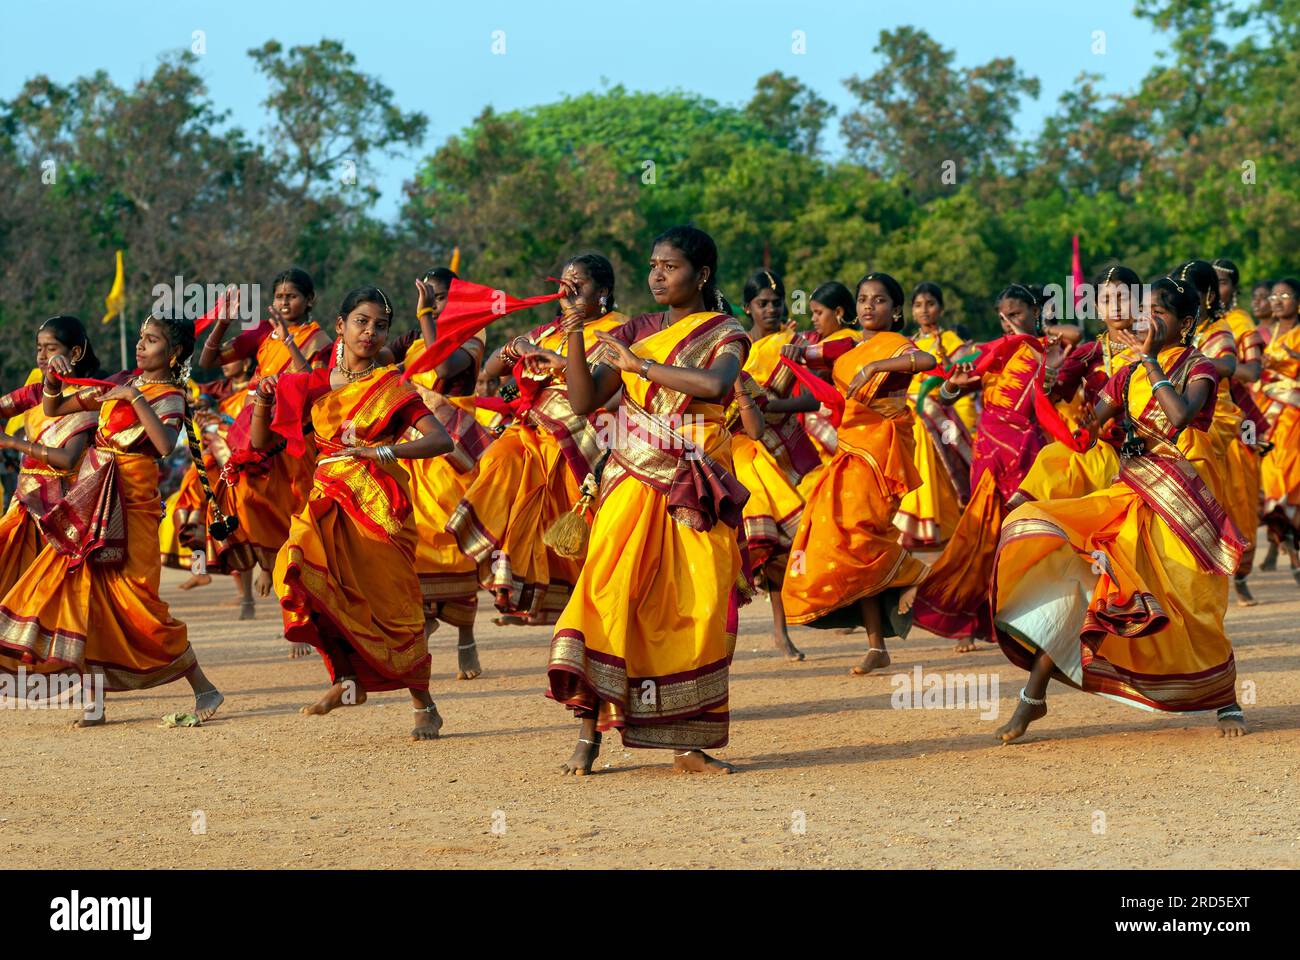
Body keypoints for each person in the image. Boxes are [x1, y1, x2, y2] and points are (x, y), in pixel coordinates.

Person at [992, 277, 1248, 742]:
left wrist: (1148, 360)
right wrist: (1056, 383)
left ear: (1186, 323)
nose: (1147, 317)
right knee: (1083, 580)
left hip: (1183, 496)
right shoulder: (1126, 373)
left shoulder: (1200, 367)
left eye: (1160, 311)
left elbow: (1180, 417)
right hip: (1130, 490)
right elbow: (1091, 425)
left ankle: (1224, 696)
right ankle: (1033, 697)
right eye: (1145, 308)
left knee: (1193, 600)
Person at [536, 225, 750, 775]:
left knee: (696, 607)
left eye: (670, 266)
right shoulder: (636, 328)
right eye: (653, 264)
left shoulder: (728, 330)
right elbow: (585, 401)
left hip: (696, 485)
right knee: (610, 593)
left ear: (701, 275)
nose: (657, 275)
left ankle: (687, 744)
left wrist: (640, 367)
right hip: (632, 479)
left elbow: (716, 387)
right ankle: (588, 733)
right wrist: (577, 331)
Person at [0, 313, 223, 726]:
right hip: (93, 502)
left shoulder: (168, 395)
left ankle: (204, 687)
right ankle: (94, 703)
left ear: (173, 353)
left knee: (140, 606)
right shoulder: (126, 383)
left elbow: (162, 444)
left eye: (151, 340)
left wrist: (132, 398)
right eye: (141, 337)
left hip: (132, 508)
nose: (141, 345)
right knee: (87, 599)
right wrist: (52, 378)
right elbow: (55, 406)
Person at [259, 286, 454, 740]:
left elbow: (440, 440)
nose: (370, 332)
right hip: (327, 497)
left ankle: (423, 700)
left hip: (379, 503)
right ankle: (346, 680)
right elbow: (263, 443)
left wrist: (382, 451)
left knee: (391, 603)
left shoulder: (391, 385)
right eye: (361, 322)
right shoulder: (316, 383)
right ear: (340, 324)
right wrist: (264, 398)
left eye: (380, 325)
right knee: (299, 570)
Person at [447, 253, 626, 625]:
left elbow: (608, 386)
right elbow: (494, 366)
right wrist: (522, 349)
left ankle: (588, 606)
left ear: (603, 292)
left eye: (579, 283)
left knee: (579, 526)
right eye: (564, 282)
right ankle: (510, 578)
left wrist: (559, 364)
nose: (568, 289)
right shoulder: (549, 330)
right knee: (499, 460)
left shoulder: (620, 329)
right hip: (533, 430)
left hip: (587, 434)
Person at [780, 272, 936, 674]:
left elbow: (928, 361)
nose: (869, 306)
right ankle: (876, 646)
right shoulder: (847, 352)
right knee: (847, 538)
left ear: (896, 310)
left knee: (863, 530)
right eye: (863, 299)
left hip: (882, 452)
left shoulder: (897, 346)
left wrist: (876, 367)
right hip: (849, 448)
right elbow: (820, 392)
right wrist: (778, 384)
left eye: (879, 300)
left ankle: (916, 574)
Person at [913, 284, 1081, 651]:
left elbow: (1076, 334)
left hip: (1024, 453)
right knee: (982, 536)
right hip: (989, 453)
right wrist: (952, 388)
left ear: (1035, 313)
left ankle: (1037, 619)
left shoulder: (1046, 350)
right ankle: (971, 621)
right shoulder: (992, 352)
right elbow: (948, 391)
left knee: (1027, 534)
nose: (1007, 321)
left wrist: (1034, 333)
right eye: (1003, 314)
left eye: (1016, 313)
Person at [198, 268, 334, 597]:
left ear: (309, 299)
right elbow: (208, 360)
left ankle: (297, 600)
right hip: (255, 431)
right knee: (243, 494)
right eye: (279, 296)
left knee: (297, 515)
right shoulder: (262, 333)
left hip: (294, 438)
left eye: (292, 296)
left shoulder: (320, 341)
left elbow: (315, 384)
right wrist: (223, 323)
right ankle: (264, 563)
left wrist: (289, 341)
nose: (285, 302)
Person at [396, 268, 494, 679]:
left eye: (439, 297)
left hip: (454, 449)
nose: (432, 302)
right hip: (417, 453)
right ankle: (423, 619)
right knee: (415, 539)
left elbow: (447, 363)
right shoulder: (413, 343)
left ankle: (467, 636)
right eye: (426, 296)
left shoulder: (472, 335)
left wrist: (426, 318)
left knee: (454, 541)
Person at [729, 268, 820, 661]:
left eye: (776, 302)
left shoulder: (792, 345)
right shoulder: (732, 346)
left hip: (777, 453)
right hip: (734, 453)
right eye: (762, 303)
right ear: (748, 306)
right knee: (733, 548)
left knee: (779, 549)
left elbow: (812, 400)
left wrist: (765, 406)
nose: (770, 309)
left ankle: (781, 631)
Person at [1013, 266, 1143, 505]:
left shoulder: (1158, 349)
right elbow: (1046, 402)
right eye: (1105, 300)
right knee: (1050, 461)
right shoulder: (1089, 354)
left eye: (1122, 298)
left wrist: (1147, 359)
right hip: (1100, 447)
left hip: (1148, 448)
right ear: (1095, 307)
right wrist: (1049, 372)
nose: (1114, 306)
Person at [0, 316, 101, 597]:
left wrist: (11, 443)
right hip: (26, 500)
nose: (42, 356)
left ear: (76, 353)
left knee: (51, 588)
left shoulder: (86, 397)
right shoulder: (34, 393)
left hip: (64, 509)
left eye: (51, 348)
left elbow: (67, 459)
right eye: (39, 348)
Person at [895, 281, 971, 548]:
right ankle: (915, 525)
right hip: (910, 415)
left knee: (945, 469)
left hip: (942, 412)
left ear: (941, 308)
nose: (924, 310)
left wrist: (948, 364)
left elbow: (964, 376)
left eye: (930, 304)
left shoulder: (950, 341)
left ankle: (947, 524)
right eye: (917, 305)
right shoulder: (907, 343)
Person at [1214, 258, 1267, 602]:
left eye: (1222, 282)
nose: (1215, 289)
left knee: (1242, 498)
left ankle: (1242, 575)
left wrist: (1212, 366)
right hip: (1195, 418)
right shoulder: (1192, 321)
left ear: (1234, 287)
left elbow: (1251, 373)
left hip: (1236, 418)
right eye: (1210, 281)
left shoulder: (1239, 323)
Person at [795, 282, 863, 499]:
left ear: (839, 312)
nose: (813, 318)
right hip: (840, 425)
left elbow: (814, 389)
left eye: (818, 312)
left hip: (831, 426)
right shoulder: (855, 338)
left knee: (821, 490)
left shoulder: (843, 342)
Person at [1259, 278, 1300, 579]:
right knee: (1272, 481)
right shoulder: (1265, 334)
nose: (1277, 300)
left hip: (1295, 415)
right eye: (1274, 296)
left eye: (1285, 295)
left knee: (1292, 481)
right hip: (1268, 417)